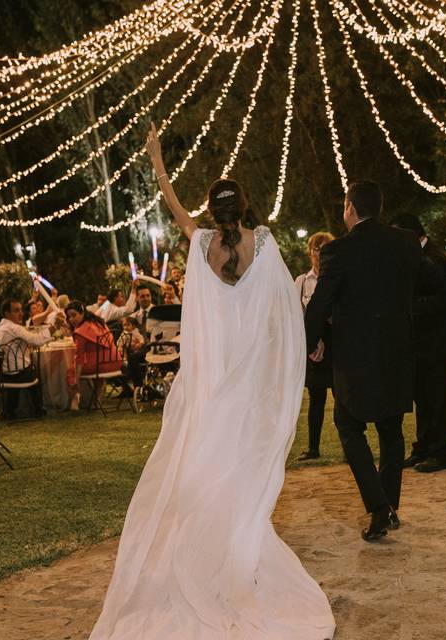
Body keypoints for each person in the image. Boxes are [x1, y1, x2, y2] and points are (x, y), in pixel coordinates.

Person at [88, 124, 335, 640]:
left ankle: (212, 559)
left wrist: (157, 159)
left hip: (212, 380)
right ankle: (233, 558)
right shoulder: (262, 244)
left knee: (205, 472)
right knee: (240, 474)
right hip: (246, 384)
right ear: (245, 207)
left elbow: (175, 208)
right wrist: (283, 358)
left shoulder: (200, 244)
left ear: (212, 209)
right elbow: (283, 310)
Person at [305, 180, 420, 542]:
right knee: (391, 430)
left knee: (346, 422)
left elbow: (319, 303)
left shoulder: (338, 251)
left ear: (350, 208)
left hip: (355, 357)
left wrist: (311, 343)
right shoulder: (405, 243)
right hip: (397, 353)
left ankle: (379, 506)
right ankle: (389, 506)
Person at [391, 213, 446, 474]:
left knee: (438, 398)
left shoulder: (434, 259)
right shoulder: (417, 257)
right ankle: (422, 448)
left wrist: (407, 308)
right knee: (422, 397)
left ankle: (441, 452)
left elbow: (444, 299)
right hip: (421, 342)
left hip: (438, 342)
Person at [294, 231, 335, 461]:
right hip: (312, 345)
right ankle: (313, 446)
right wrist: (310, 342)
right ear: (310, 252)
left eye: (324, 249)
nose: (319, 254)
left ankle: (350, 444)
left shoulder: (338, 279)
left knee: (343, 398)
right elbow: (296, 314)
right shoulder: (302, 282)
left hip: (335, 344)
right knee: (316, 397)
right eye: (316, 249)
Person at [64, 300, 120, 407]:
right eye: (69, 317)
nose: (71, 319)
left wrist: (76, 379)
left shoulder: (80, 331)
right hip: (115, 362)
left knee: (71, 369)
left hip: (100, 366)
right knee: (96, 365)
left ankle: (75, 399)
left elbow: (78, 358)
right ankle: (97, 399)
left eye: (74, 315)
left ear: (82, 312)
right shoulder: (99, 322)